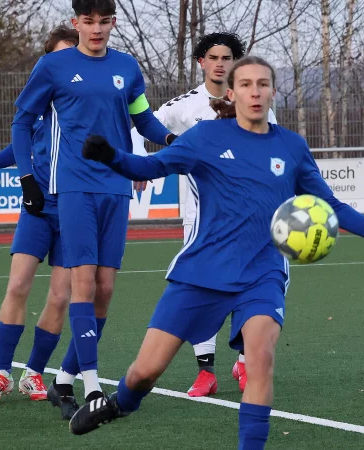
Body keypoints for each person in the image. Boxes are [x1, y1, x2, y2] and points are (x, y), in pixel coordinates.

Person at [66, 56, 364, 448]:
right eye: (247, 84)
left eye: (264, 84)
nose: (256, 91)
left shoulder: (291, 146)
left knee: (260, 360)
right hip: (202, 271)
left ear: (273, 92)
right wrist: (111, 157)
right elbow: (150, 167)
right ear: (231, 93)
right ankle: (121, 404)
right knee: (144, 373)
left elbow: (332, 208)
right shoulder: (204, 138)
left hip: (262, 274)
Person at [10, 0, 176, 418]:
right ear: (75, 23)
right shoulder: (53, 66)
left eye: (104, 22)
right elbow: (20, 123)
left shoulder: (128, 66)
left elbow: (144, 122)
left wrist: (175, 141)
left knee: (104, 290)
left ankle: (62, 380)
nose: (97, 29)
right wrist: (28, 178)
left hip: (117, 187)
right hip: (75, 188)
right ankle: (92, 387)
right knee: (82, 286)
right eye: (89, 22)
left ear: (113, 23)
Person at [130, 31, 276, 397]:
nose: (220, 64)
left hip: (250, 219)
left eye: (227, 58)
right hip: (200, 217)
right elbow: (140, 126)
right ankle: (205, 372)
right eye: (213, 57)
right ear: (202, 62)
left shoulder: (257, 102)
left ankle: (243, 360)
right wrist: (140, 165)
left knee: (249, 289)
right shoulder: (184, 106)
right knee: (204, 289)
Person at [0, 24, 79, 406]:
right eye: (60, 56)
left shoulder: (85, 106)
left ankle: (33, 373)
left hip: (74, 209)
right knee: (17, 285)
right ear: (47, 60)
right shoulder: (39, 104)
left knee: (60, 296)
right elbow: (21, 147)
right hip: (37, 208)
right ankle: (1, 372)